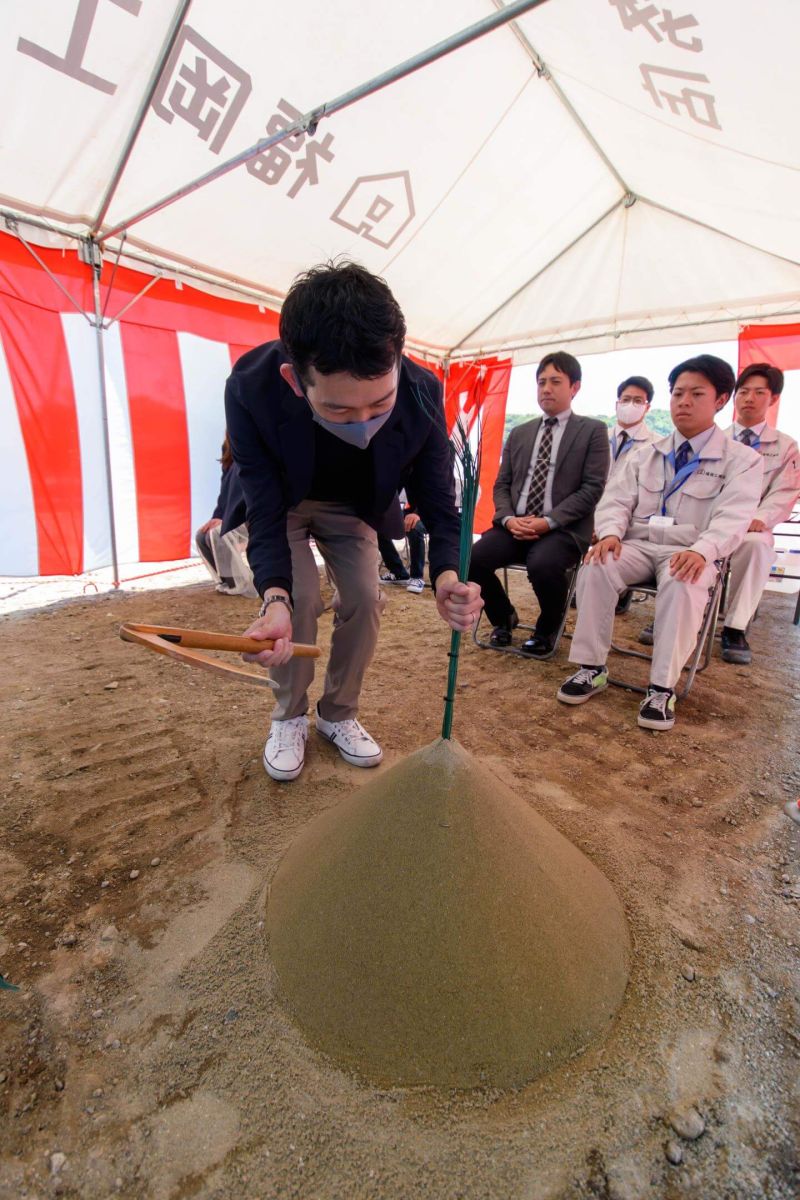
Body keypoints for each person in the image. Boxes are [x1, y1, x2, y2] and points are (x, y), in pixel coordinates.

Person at [224, 261, 482, 782]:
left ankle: (337, 714)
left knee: (366, 600)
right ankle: (289, 716)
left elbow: (439, 500)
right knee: (296, 602)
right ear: (295, 379)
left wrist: (449, 575)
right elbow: (264, 502)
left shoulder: (422, 391)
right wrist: (273, 595)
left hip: (357, 506)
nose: (364, 423)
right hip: (287, 501)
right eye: (340, 410)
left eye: (380, 402)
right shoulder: (250, 388)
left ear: (398, 360)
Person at [557, 354, 763, 731]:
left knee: (684, 581)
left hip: (691, 549)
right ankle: (591, 668)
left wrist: (704, 551)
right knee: (596, 565)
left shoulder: (743, 460)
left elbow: (733, 517)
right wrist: (611, 534)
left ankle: (661, 688)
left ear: (720, 400)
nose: (683, 401)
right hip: (638, 543)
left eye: (696, 394)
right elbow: (616, 500)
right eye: (678, 393)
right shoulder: (646, 454)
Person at [467, 351, 609, 657]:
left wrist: (550, 521)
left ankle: (547, 628)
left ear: (575, 387)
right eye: (541, 382)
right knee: (471, 558)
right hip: (515, 524)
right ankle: (504, 617)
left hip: (563, 529)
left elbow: (592, 488)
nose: (546, 388)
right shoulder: (520, 432)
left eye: (556, 381)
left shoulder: (592, 431)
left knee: (542, 564)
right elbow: (502, 484)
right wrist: (507, 519)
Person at [720, 363, 800, 663]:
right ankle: (678, 613)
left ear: (773, 398)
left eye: (758, 392)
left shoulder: (785, 447)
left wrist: (760, 519)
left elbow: (785, 492)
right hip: (710, 523)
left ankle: (734, 627)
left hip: (750, 528)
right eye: (743, 392)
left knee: (756, 549)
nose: (749, 399)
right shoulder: (715, 438)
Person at [195, 434, 257, 598]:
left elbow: (252, 493)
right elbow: (224, 496)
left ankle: (241, 584)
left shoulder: (255, 453)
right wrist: (216, 516)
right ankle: (229, 581)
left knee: (218, 533)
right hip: (232, 517)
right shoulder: (229, 458)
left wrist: (228, 518)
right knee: (202, 536)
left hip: (252, 515)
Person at [378, 490, 427, 594]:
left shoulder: (426, 477)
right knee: (378, 527)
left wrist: (416, 513)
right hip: (406, 513)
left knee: (414, 527)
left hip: (429, 514)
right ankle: (398, 572)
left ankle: (417, 577)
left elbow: (433, 497)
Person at [608, 376, 658, 477]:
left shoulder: (657, 445)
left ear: (647, 407)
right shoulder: (598, 437)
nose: (630, 405)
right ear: (617, 404)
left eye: (638, 401)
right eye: (626, 399)